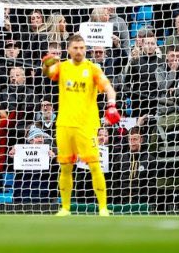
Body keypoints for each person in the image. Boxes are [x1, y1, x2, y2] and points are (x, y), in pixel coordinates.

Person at [41, 33, 120, 216]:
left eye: (82, 48)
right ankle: (65, 208)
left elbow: (109, 89)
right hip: (64, 125)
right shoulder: (62, 68)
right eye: (75, 48)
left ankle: (103, 208)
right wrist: (46, 63)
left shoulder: (92, 69)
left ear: (86, 49)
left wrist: (111, 105)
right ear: (68, 49)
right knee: (66, 167)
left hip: (86, 126)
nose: (79, 51)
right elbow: (47, 73)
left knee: (94, 166)